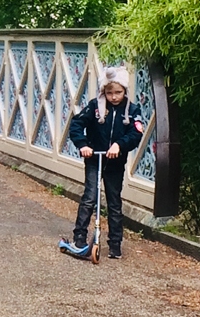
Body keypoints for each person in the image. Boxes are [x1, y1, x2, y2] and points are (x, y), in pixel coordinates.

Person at [68, 66, 144, 259]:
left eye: (118, 92)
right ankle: (79, 237)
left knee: (114, 201)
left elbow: (136, 134)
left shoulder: (132, 110)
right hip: (94, 158)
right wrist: (83, 144)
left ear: (125, 91)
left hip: (115, 163)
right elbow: (76, 124)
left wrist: (119, 145)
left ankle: (115, 243)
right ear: (104, 91)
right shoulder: (95, 107)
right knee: (90, 197)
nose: (114, 97)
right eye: (109, 93)